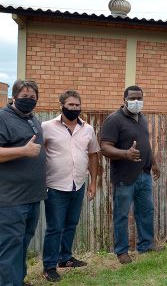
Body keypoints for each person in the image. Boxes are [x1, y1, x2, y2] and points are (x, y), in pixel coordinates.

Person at [41, 90, 100, 282]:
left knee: (71, 224)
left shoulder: (88, 129)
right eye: (70, 105)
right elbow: (39, 154)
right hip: (55, 186)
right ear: (62, 105)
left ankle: (65, 258)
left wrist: (93, 183)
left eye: (77, 105)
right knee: (54, 227)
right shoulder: (47, 127)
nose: (74, 108)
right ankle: (49, 266)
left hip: (78, 184)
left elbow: (93, 155)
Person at [100, 85, 161, 264]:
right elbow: (104, 147)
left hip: (144, 174)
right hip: (124, 177)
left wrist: (153, 163)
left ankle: (146, 245)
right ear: (124, 99)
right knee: (122, 214)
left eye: (139, 98)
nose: (136, 102)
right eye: (132, 98)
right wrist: (125, 153)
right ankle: (121, 251)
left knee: (146, 211)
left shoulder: (141, 118)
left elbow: (145, 143)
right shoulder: (114, 120)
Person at [0, 79, 46, 286]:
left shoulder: (33, 119)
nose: (29, 101)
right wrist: (23, 151)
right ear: (14, 98)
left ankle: (17, 279)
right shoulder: (3, 118)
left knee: (22, 243)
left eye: (33, 98)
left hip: (32, 196)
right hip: (10, 198)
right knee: (10, 245)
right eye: (24, 97)